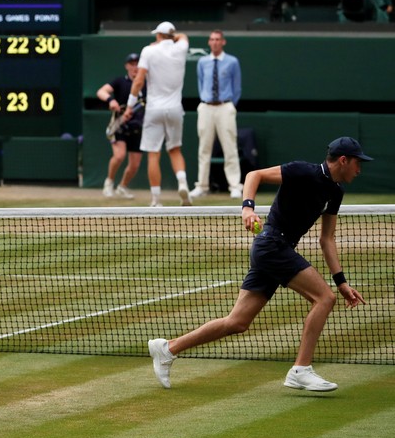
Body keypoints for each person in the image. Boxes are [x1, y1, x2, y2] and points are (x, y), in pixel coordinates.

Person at [149, 137, 370, 392]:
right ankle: (301, 369)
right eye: (357, 162)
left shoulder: (336, 192)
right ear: (343, 160)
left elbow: (327, 239)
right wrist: (247, 208)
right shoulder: (302, 171)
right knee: (324, 299)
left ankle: (167, 349)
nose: (359, 168)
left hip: (277, 250)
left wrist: (341, 281)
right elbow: (254, 175)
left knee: (237, 322)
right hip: (271, 244)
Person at [122, 22, 192, 207]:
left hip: (154, 109)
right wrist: (172, 38)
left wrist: (129, 106)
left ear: (159, 35)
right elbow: (183, 36)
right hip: (175, 109)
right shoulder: (181, 47)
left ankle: (156, 199)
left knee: (154, 154)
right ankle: (183, 184)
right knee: (175, 150)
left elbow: (138, 82)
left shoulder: (149, 51)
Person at [190, 30, 243, 199]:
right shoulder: (202, 62)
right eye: (212, 39)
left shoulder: (232, 62)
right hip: (205, 107)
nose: (214, 42)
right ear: (209, 42)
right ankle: (202, 186)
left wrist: (229, 106)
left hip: (225, 107)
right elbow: (200, 83)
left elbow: (237, 87)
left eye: (217, 39)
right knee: (204, 148)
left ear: (223, 42)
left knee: (230, 147)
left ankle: (235, 186)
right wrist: (205, 101)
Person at [97, 53, 144, 199]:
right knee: (119, 156)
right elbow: (101, 91)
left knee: (135, 164)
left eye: (137, 63)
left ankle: (122, 187)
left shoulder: (146, 83)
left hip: (137, 126)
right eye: (132, 64)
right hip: (120, 125)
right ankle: (109, 183)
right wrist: (111, 100)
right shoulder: (119, 82)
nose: (135, 67)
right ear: (127, 66)